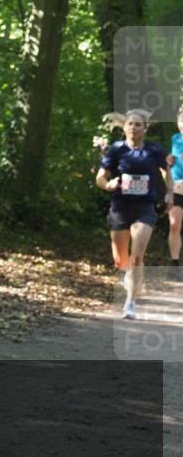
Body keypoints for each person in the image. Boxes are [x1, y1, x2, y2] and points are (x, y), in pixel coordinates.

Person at [95, 109, 173, 318]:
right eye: (130, 124)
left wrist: (170, 194)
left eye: (138, 124)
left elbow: (166, 172)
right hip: (121, 206)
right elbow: (100, 177)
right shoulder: (116, 149)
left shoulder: (154, 149)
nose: (133, 128)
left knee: (137, 256)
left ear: (145, 128)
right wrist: (108, 184)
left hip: (145, 207)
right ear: (125, 127)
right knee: (121, 260)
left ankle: (130, 302)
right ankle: (131, 276)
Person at [168, 107, 183, 283]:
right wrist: (169, 160)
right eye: (181, 120)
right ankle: (174, 265)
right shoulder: (175, 139)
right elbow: (171, 161)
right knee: (174, 225)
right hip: (177, 188)